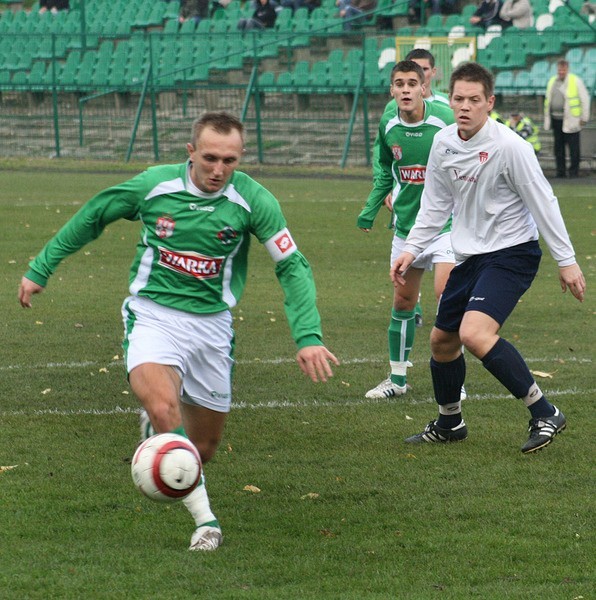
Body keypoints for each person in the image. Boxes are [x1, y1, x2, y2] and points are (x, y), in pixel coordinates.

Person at [18, 111, 339, 550]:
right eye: (209, 157)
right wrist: (41, 267)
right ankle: (207, 523)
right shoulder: (155, 185)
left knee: (200, 450)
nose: (219, 169)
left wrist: (308, 336)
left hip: (212, 328)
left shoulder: (254, 200)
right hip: (153, 315)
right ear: (190, 152)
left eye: (230, 160)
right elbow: (95, 214)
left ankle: (157, 427)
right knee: (167, 411)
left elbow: (292, 267)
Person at [391, 62, 586, 453]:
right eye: (458, 98)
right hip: (469, 255)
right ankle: (450, 423)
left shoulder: (510, 147)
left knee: (474, 334)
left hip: (512, 253)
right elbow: (435, 204)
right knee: (442, 342)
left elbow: (543, 202)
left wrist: (566, 261)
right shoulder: (443, 143)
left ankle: (545, 411)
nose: (464, 106)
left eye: (474, 100)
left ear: (489, 103)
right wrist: (412, 248)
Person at [357, 60, 455, 400]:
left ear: (423, 88)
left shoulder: (444, 119)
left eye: (412, 83)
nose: (405, 89)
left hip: (446, 227)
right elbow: (385, 168)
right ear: (392, 90)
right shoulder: (388, 124)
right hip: (408, 230)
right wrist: (373, 207)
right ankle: (398, 380)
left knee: (446, 293)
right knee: (403, 301)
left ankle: (452, 379)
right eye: (399, 84)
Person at [543, 59, 590, 179]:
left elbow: (585, 99)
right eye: (559, 69)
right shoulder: (552, 81)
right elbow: (548, 99)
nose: (561, 72)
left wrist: (584, 117)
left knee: (574, 148)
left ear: (567, 69)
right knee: (558, 148)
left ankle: (574, 172)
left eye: (563, 69)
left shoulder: (575, 81)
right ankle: (561, 172)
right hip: (556, 120)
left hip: (571, 120)